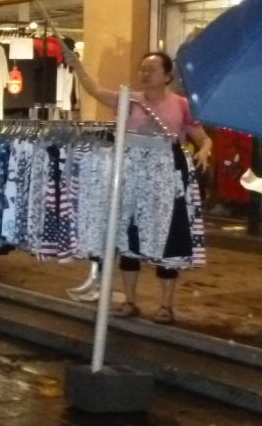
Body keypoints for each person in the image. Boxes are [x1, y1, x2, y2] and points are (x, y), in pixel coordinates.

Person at [66, 48, 213, 325]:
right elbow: (95, 90)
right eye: (142, 69)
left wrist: (204, 151)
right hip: (130, 178)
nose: (145, 74)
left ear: (167, 76)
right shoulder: (128, 100)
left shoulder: (181, 105)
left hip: (167, 180)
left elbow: (203, 138)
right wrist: (78, 66)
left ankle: (166, 306)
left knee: (168, 240)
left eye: (152, 69)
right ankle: (130, 301)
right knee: (128, 238)